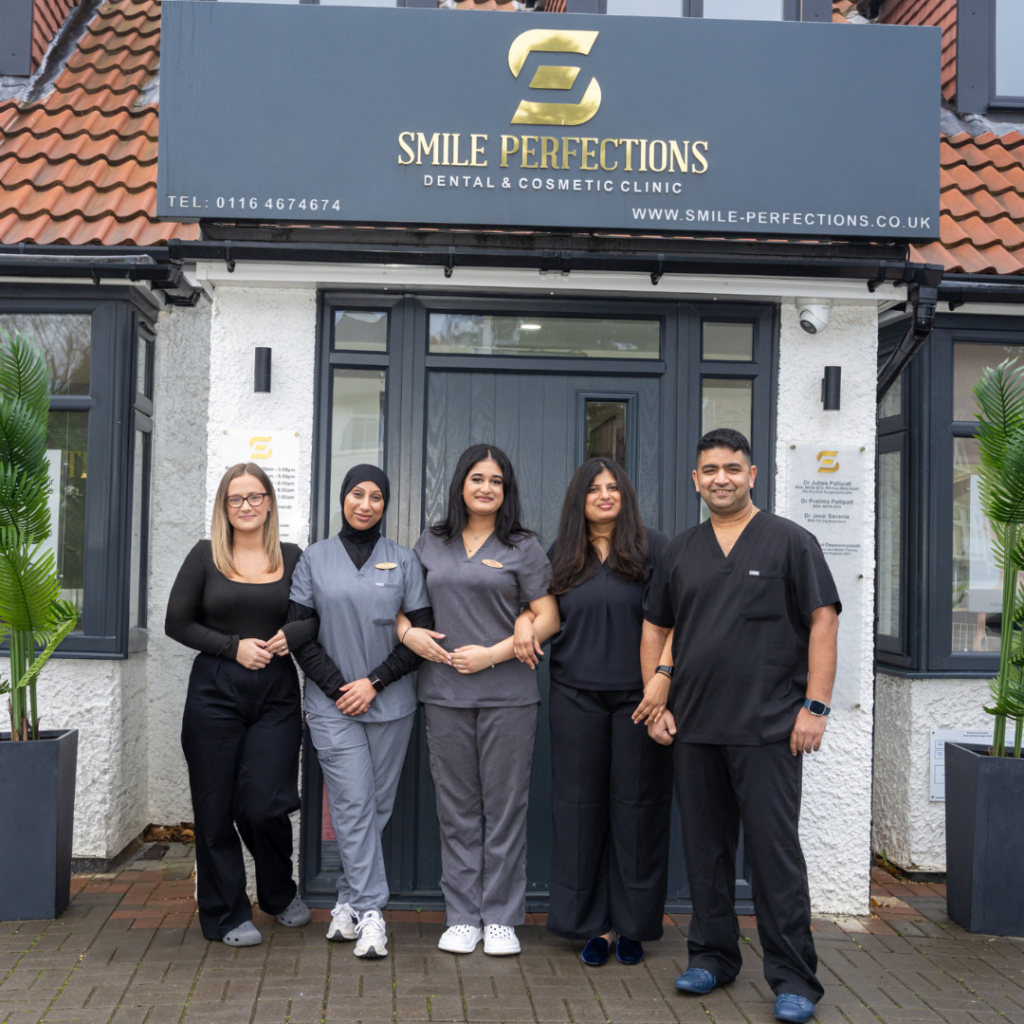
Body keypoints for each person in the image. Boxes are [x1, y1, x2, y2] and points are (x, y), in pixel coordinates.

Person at [642, 428, 840, 1024]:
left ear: (752, 475)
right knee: (706, 851)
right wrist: (656, 700)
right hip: (695, 727)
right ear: (695, 480)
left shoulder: (789, 542)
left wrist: (815, 706)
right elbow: (657, 626)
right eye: (710, 470)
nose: (721, 478)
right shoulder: (679, 550)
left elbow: (823, 622)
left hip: (770, 728)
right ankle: (712, 955)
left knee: (776, 855)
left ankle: (794, 977)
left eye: (733, 468)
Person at [399, 444, 560, 957]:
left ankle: (502, 918)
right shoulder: (431, 542)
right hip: (443, 693)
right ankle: (463, 915)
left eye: (496, 480)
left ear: (506, 490)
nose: (486, 487)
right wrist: (409, 636)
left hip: (508, 695)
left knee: (506, 808)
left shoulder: (523, 546)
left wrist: (493, 654)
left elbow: (548, 617)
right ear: (460, 486)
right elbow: (399, 607)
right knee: (457, 809)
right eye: (477, 478)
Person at [513, 458, 672, 967]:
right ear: (578, 499)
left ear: (624, 495)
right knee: (579, 812)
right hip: (575, 696)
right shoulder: (561, 553)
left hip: (639, 701)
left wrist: (663, 685)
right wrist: (521, 620)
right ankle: (593, 926)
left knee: (637, 811)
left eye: (613, 488)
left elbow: (677, 624)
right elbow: (541, 609)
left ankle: (632, 926)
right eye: (593, 490)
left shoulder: (655, 549)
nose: (604, 496)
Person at [165, 463, 317, 947]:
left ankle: (277, 892)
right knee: (214, 808)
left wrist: (287, 638)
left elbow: (313, 619)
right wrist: (232, 647)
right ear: (224, 507)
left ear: (270, 502)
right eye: (236, 499)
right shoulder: (205, 556)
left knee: (265, 804)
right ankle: (227, 913)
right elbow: (177, 623)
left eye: (255, 497)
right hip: (215, 692)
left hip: (275, 694)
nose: (246, 506)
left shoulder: (293, 557)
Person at [286, 465, 432, 959]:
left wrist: (373, 684)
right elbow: (301, 634)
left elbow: (421, 640)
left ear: (385, 504)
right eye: (356, 494)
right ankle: (373, 912)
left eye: (375, 496)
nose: (365, 504)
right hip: (331, 707)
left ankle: (345, 902)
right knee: (351, 803)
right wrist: (339, 688)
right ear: (342, 498)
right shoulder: (313, 559)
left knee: (374, 809)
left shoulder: (404, 561)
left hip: (390, 704)